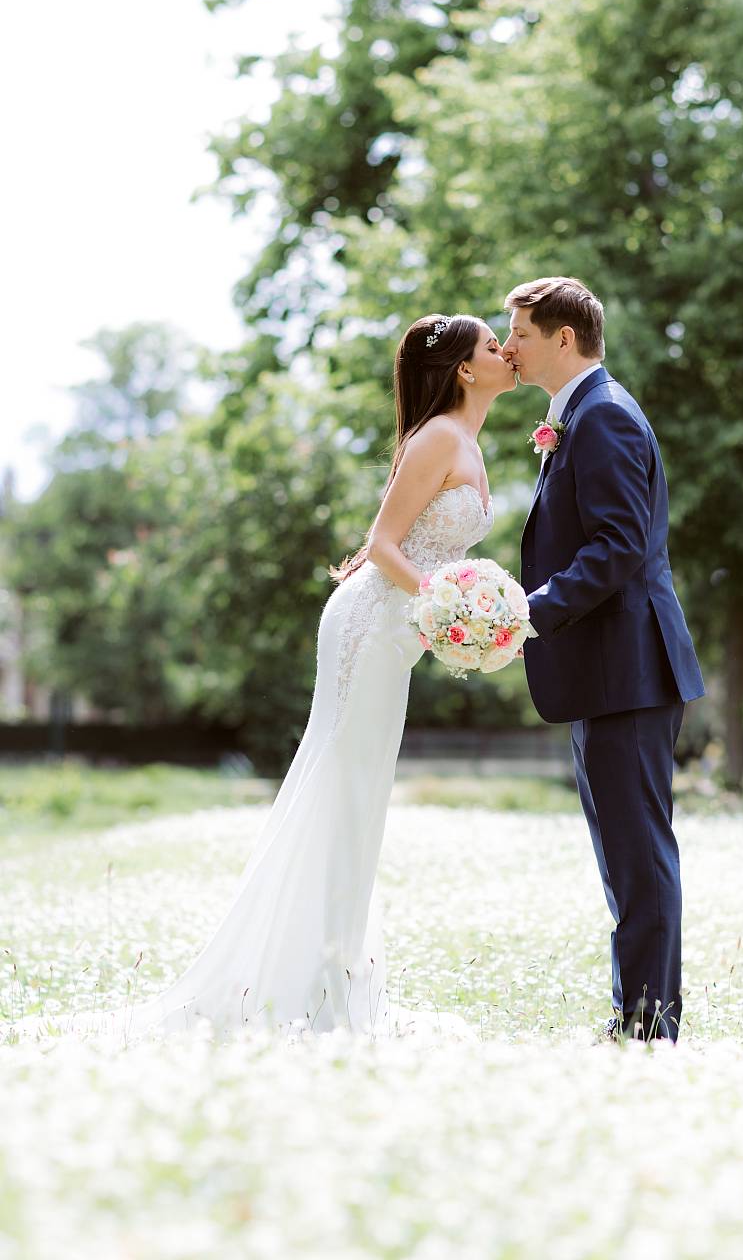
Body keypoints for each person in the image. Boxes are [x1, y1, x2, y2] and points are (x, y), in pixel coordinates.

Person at [22, 313, 516, 1044]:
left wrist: (450, 614)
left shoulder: (466, 441)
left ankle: (336, 972)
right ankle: (298, 983)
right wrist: (446, 606)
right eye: (495, 346)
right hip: (369, 625)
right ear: (467, 369)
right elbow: (381, 545)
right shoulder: (440, 436)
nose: (508, 354)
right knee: (340, 787)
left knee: (361, 795)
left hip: (399, 629)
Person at [502, 277, 704, 1043]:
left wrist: (530, 612)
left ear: (562, 338)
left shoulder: (604, 416)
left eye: (518, 333)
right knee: (624, 859)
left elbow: (618, 547)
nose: (508, 348)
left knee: (640, 857)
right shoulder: (581, 415)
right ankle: (636, 1015)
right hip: (607, 672)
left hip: (631, 670)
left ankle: (650, 1026)